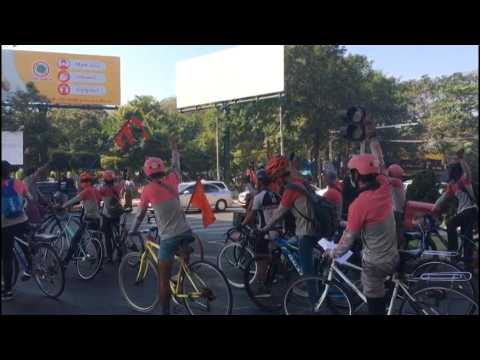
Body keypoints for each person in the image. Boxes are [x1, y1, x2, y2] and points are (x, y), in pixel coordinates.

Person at [326, 118, 399, 315]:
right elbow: (380, 162)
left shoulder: (359, 204)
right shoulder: (383, 186)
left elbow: (348, 238)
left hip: (376, 263)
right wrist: (372, 136)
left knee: (373, 303)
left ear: (355, 176)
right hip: (392, 256)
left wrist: (333, 253)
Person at [129, 140, 194, 315]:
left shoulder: (148, 190)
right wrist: (174, 150)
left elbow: (141, 215)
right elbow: (176, 166)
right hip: (187, 232)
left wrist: (132, 230)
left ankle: (166, 311)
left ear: (147, 173)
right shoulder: (172, 179)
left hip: (169, 238)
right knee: (181, 264)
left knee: (162, 279)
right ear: (162, 169)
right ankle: (179, 291)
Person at [260, 155, 317, 282]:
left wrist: (264, 228)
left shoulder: (291, 189)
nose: (276, 182)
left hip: (305, 234)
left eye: (276, 179)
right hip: (316, 229)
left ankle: (315, 300)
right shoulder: (302, 183)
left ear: (280, 176)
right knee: (291, 245)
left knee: (308, 276)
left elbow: (278, 213)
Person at [433, 149, 477, 271]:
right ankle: (466, 262)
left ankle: (454, 254)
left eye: (450, 177)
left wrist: (461, 159)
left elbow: (468, 172)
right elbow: (442, 200)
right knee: (465, 237)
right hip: (464, 212)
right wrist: (433, 209)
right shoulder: (452, 187)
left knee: (451, 224)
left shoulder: (464, 181)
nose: (449, 180)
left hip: (470, 210)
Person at [240, 169, 280, 297]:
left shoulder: (259, 197)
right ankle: (269, 280)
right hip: (277, 231)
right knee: (272, 258)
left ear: (260, 182)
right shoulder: (275, 195)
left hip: (264, 232)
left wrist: (241, 225)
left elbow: (251, 216)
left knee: (260, 260)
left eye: (257, 181)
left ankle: (261, 287)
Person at [2, 160, 34, 300]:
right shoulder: (19, 183)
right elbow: (30, 199)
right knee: (25, 244)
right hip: (23, 221)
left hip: (5, 225)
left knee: (7, 258)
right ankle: (31, 267)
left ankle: (8, 291)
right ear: (10, 171)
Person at [56, 172, 101, 266]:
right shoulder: (94, 190)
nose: (82, 183)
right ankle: (99, 262)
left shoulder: (86, 191)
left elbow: (75, 199)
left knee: (74, 240)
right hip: (96, 218)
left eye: (83, 181)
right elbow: (93, 201)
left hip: (89, 219)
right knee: (96, 241)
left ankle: (65, 262)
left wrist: (62, 206)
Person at [98, 170, 125, 262]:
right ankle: (120, 254)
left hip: (107, 214)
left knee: (107, 237)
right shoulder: (117, 187)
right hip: (117, 213)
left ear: (104, 179)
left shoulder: (102, 189)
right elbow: (122, 184)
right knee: (117, 234)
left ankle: (109, 256)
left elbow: (97, 197)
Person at [386, 164, 407, 249]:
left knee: (394, 235)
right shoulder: (397, 182)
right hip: (398, 212)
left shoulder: (396, 182)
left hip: (396, 213)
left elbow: (383, 179)